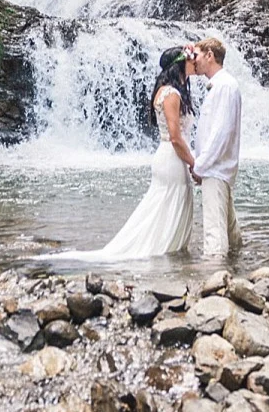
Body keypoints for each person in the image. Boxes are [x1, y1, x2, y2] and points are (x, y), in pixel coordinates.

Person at [48, 45, 197, 259]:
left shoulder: (165, 90)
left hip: (169, 157)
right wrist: (193, 162)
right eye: (191, 59)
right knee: (166, 208)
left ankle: (168, 254)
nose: (194, 62)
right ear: (180, 64)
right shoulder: (171, 94)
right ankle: (161, 254)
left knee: (163, 208)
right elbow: (175, 137)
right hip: (173, 158)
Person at [192, 36, 243, 255]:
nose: (194, 61)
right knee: (229, 231)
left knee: (214, 231)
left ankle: (215, 275)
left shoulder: (225, 86)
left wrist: (199, 166)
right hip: (217, 167)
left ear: (210, 55)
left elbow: (220, 133)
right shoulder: (223, 85)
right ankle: (236, 267)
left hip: (215, 168)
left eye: (197, 55)